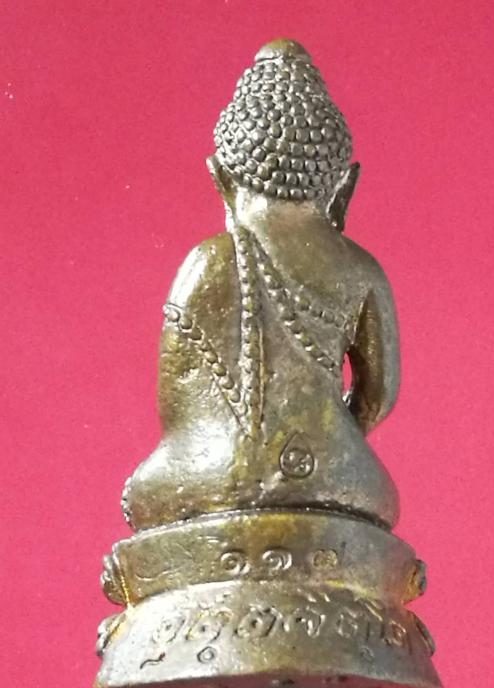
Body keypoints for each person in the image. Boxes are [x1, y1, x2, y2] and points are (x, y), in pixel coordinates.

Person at [123, 39, 400, 533]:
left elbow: (179, 412)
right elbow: (378, 395)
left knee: (142, 492)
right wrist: (332, 439)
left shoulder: (206, 262)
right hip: (339, 476)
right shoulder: (361, 270)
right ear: (344, 188)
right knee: (372, 488)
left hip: (216, 474)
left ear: (221, 181)